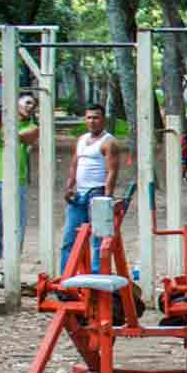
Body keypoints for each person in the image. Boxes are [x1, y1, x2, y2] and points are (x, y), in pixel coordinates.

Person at [0, 94, 40, 285]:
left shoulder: (32, 127)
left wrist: (2, 121)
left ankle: (9, 267)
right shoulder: (1, 120)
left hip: (17, 180)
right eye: (27, 102)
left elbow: (18, 137)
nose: (30, 106)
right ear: (16, 104)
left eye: (33, 104)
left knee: (16, 225)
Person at [60, 105, 122, 271]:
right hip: (79, 195)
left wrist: (106, 198)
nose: (92, 121)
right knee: (69, 238)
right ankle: (65, 277)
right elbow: (74, 165)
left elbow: (112, 171)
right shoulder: (82, 139)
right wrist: (69, 187)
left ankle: (97, 277)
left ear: (103, 120)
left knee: (98, 240)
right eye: (89, 118)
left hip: (97, 193)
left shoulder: (109, 142)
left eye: (96, 117)